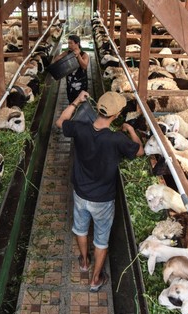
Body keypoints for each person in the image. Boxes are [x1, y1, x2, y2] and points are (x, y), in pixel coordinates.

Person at [55, 90, 144, 292]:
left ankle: (84, 262)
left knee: (80, 228)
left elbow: (60, 121)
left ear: (97, 109)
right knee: (101, 239)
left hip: (80, 193)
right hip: (103, 199)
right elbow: (139, 151)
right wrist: (130, 130)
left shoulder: (80, 128)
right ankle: (95, 279)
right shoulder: (117, 139)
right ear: (116, 115)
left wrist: (76, 101)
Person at [51, 34, 89, 103]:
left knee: (81, 101)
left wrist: (78, 56)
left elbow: (84, 66)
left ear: (77, 43)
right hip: (70, 83)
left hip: (81, 84)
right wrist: (64, 55)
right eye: (68, 43)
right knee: (71, 100)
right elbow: (55, 60)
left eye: (71, 43)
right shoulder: (67, 53)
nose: (69, 45)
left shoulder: (84, 55)